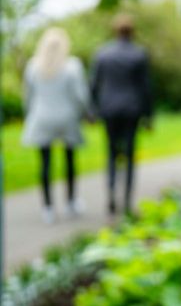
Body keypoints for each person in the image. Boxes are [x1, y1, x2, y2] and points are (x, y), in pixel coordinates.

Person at [21, 27, 91, 224]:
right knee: (69, 160)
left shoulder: (33, 66)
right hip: (66, 118)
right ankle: (70, 202)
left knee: (45, 163)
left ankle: (48, 208)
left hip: (41, 117)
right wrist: (86, 113)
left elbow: (28, 96)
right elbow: (80, 96)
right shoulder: (72, 66)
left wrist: (29, 115)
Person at [91, 13, 152, 216]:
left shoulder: (103, 53)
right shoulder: (139, 54)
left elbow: (94, 84)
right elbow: (146, 88)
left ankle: (110, 194)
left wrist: (93, 109)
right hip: (131, 110)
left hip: (108, 109)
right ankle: (126, 200)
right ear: (132, 31)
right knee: (129, 153)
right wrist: (149, 116)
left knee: (111, 153)